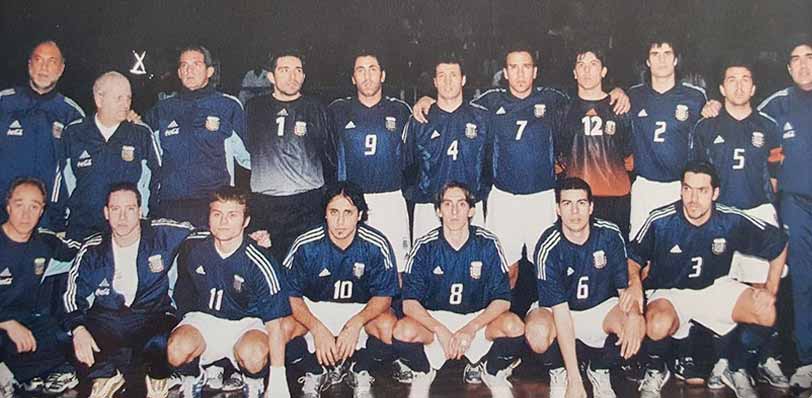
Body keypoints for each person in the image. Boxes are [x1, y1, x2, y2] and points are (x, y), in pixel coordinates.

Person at [629, 161, 787, 398]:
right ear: (681, 189)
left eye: (702, 191)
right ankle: (656, 369)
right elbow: (633, 258)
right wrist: (634, 286)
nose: (693, 198)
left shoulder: (730, 219)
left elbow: (779, 243)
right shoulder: (661, 220)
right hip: (670, 293)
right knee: (657, 325)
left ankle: (735, 367)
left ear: (715, 193)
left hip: (715, 288)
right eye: (687, 189)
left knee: (766, 312)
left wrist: (771, 288)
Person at [693, 59, 789, 391]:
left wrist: (771, 211)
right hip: (721, 217)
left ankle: (756, 358)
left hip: (758, 212)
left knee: (765, 290)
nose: (738, 85)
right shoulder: (706, 126)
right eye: (731, 79)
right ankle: (725, 359)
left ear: (753, 87)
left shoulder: (769, 125)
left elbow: (776, 176)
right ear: (721, 88)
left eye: (745, 79)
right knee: (725, 289)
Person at [393, 182, 525, 398]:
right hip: (436, 320)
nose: (454, 211)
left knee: (514, 326)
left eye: (461, 204)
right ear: (438, 210)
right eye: (447, 204)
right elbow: (409, 303)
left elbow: (503, 299)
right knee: (402, 331)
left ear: (471, 210)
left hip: (476, 320)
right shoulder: (425, 246)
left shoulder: (487, 243)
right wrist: (440, 329)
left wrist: (471, 328)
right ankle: (423, 371)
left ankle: (491, 371)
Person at [62, 183, 194, 398]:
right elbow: (70, 295)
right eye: (115, 209)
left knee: (163, 344)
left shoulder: (162, 233)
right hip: (109, 319)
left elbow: (201, 232)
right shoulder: (93, 249)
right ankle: (106, 375)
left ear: (139, 211)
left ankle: (156, 376)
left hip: (152, 315)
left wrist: (246, 239)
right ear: (106, 213)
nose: (122, 217)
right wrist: (78, 329)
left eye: (130, 208)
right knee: (66, 335)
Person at [525, 177, 644, 398]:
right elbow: (561, 314)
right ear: (558, 209)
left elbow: (624, 290)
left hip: (599, 306)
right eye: (567, 204)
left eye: (580, 203)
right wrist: (574, 381)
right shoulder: (547, 246)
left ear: (591, 207)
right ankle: (560, 371)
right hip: (560, 311)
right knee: (537, 332)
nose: (574, 211)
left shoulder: (609, 234)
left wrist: (636, 313)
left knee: (636, 326)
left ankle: (600, 370)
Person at [167, 187, 290, 398]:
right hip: (206, 320)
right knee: (176, 350)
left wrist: (279, 379)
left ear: (246, 221)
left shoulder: (259, 261)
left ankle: (254, 380)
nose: (223, 222)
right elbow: (184, 300)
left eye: (232, 215)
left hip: (246, 325)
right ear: (209, 216)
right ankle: (195, 375)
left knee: (253, 355)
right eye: (217, 214)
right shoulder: (194, 250)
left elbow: (276, 325)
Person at [281, 181, 399, 398]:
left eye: (348, 212)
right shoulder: (306, 244)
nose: (340, 221)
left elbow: (384, 296)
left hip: (360, 309)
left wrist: (356, 324)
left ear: (360, 214)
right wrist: (316, 328)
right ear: (325, 214)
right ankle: (314, 370)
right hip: (314, 309)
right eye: (334, 212)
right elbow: (291, 296)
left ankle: (359, 367)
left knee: (391, 329)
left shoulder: (375, 244)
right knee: (280, 330)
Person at [757, 33, 812, 392]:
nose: (804, 64)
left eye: (810, 56)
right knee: (804, 281)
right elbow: (742, 116)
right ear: (789, 68)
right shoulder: (777, 105)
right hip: (797, 204)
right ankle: (807, 360)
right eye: (797, 59)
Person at [144, 45, 249, 227]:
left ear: (209, 71)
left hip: (213, 206)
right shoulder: (161, 110)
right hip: (171, 205)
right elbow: (151, 162)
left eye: (196, 64)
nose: (189, 70)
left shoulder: (228, 106)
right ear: (178, 72)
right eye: (184, 65)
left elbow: (249, 158)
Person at [246, 49, 335, 262]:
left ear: (304, 76)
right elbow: (244, 152)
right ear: (271, 76)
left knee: (307, 264)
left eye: (298, 70)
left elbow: (330, 155)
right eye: (284, 70)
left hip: (307, 203)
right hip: (266, 203)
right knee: (268, 265)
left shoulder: (316, 108)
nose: (292, 76)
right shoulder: (253, 108)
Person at [328, 50, 412, 269]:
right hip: (351, 202)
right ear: (353, 77)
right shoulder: (337, 111)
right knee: (352, 267)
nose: (367, 76)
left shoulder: (401, 111)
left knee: (397, 269)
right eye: (360, 70)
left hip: (391, 198)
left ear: (382, 75)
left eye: (372, 69)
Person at [0, 178, 81, 397]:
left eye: (34, 206)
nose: (26, 214)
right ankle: (19, 373)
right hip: (4, 324)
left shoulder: (45, 242)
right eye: (19, 205)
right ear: (8, 206)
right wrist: (7, 323)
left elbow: (81, 251)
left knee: (65, 337)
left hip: (26, 323)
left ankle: (15, 373)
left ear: (41, 210)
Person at [61, 71, 162, 241]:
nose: (126, 104)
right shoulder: (74, 133)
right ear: (99, 99)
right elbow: (62, 182)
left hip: (127, 232)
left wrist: (149, 218)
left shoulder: (141, 134)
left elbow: (157, 179)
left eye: (128, 98)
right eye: (119, 98)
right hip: (82, 230)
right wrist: (59, 223)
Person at [0, 40, 85, 230]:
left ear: (61, 69)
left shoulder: (71, 114)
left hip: (49, 221)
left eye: (51, 62)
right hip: (4, 216)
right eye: (38, 60)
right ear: (29, 64)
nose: (44, 67)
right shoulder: (4, 103)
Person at [403, 55, 490, 240]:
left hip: (469, 206)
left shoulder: (481, 118)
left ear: (463, 79)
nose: (448, 82)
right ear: (434, 81)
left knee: (473, 265)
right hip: (429, 208)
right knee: (426, 265)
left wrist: (478, 194)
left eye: (453, 75)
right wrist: (421, 193)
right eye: (442, 76)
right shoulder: (419, 120)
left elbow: (492, 162)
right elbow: (406, 165)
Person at [559, 44, 634, 238]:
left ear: (604, 71)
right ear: (574, 72)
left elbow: (630, 156)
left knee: (615, 258)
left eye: (593, 64)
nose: (586, 70)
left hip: (615, 199)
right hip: (577, 199)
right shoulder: (563, 111)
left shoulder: (620, 107)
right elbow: (558, 159)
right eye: (581, 64)